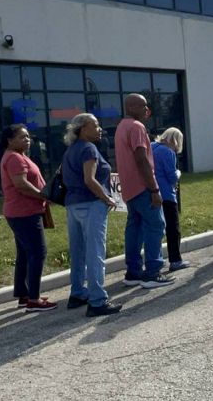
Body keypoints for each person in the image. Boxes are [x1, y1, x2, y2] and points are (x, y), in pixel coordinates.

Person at [61, 114, 122, 316]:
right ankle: (97, 300)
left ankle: (78, 292)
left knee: (77, 251)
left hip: (73, 205)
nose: (99, 129)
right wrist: (107, 198)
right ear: (82, 128)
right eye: (95, 125)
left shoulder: (71, 150)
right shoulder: (88, 149)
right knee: (94, 252)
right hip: (91, 204)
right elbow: (90, 179)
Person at [116, 94, 173, 289]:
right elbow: (141, 160)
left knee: (135, 227)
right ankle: (152, 272)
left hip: (129, 188)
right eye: (144, 106)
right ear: (133, 107)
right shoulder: (137, 127)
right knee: (156, 225)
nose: (147, 110)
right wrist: (154, 188)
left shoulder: (122, 126)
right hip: (142, 187)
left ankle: (133, 272)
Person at [0, 125, 57, 313]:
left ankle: (24, 295)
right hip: (24, 212)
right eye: (22, 137)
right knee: (38, 252)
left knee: (24, 254)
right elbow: (21, 185)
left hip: (22, 211)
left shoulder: (17, 155)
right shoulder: (15, 158)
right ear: (10, 140)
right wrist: (43, 195)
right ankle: (34, 299)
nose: (27, 140)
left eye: (28, 137)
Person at [152, 127, 190, 272]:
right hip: (167, 194)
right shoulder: (168, 152)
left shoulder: (152, 147)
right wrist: (178, 173)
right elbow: (172, 176)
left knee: (155, 229)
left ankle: (155, 260)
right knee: (173, 229)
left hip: (153, 193)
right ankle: (175, 260)